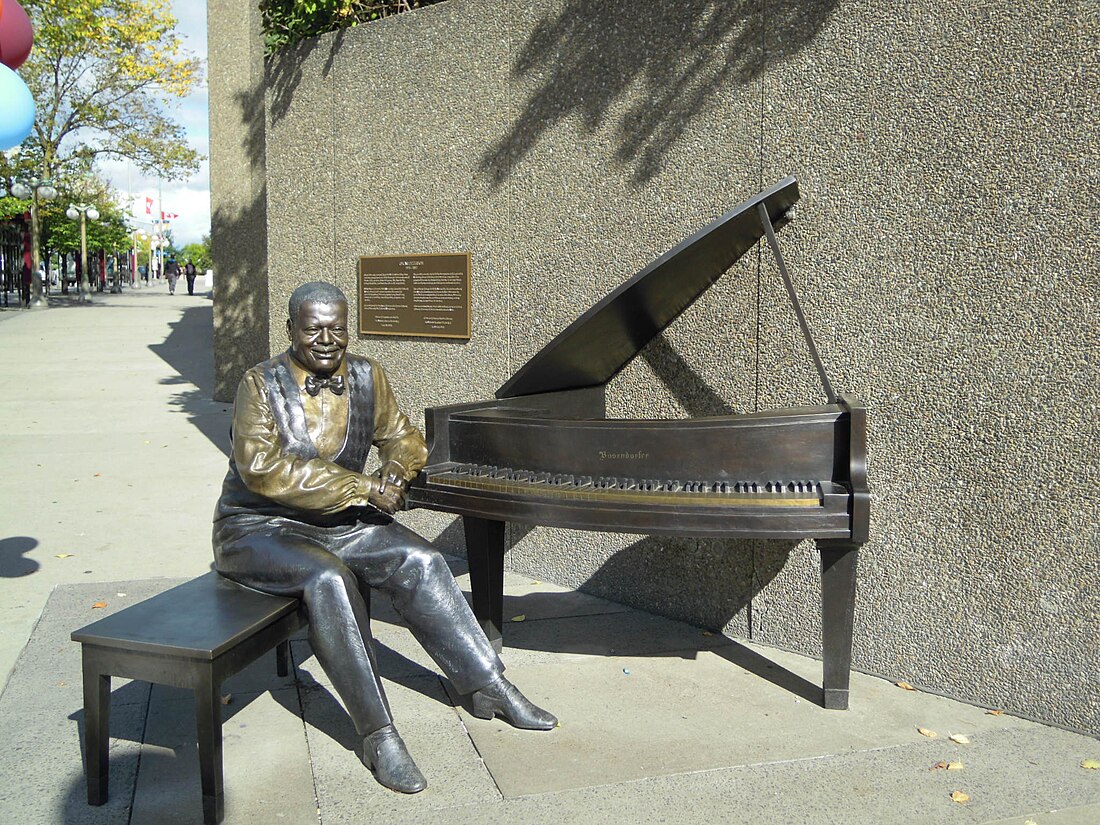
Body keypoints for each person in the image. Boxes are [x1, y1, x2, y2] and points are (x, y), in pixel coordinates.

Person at [212, 281, 555, 794]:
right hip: (260, 526)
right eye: (313, 329)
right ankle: (378, 734)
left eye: (338, 328)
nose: (327, 340)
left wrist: (396, 470)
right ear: (290, 330)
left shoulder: (368, 376)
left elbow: (404, 436)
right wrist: (364, 486)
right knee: (329, 581)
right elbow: (263, 469)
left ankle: (488, 685)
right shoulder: (259, 384)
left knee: (420, 558)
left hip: (339, 522)